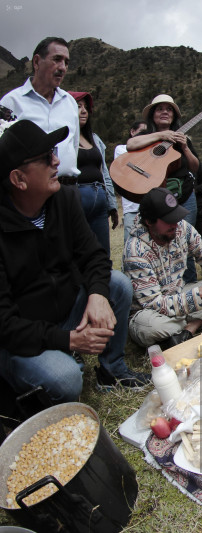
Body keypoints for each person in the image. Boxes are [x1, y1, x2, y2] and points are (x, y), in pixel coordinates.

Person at [0, 120, 148, 403]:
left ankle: (112, 370)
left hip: (66, 309)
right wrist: (67, 341)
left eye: (54, 151)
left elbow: (93, 255)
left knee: (116, 285)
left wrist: (96, 295)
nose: (57, 160)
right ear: (19, 179)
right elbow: (5, 325)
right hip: (23, 337)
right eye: (46, 157)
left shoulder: (64, 200)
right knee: (67, 380)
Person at [123, 187, 202, 347]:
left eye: (176, 217)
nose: (175, 223)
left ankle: (189, 329)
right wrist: (200, 294)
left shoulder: (181, 228)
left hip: (180, 294)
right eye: (168, 220)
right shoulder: (135, 251)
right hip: (151, 311)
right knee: (151, 328)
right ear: (149, 221)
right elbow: (155, 303)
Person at [127, 94, 201, 283]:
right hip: (156, 201)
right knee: (157, 241)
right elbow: (130, 144)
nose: (165, 112)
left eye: (169, 109)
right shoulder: (145, 137)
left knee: (186, 242)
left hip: (184, 197)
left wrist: (185, 147)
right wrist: (161, 135)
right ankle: (163, 288)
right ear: (152, 114)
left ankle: (190, 287)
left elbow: (195, 167)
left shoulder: (183, 138)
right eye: (160, 109)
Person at [0, 37, 80, 183]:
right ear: (36, 62)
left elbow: (74, 147)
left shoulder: (70, 103)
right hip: (28, 194)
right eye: (57, 59)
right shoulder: (11, 102)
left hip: (68, 190)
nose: (62, 67)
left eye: (66, 62)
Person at [68, 91, 119, 253]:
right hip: (77, 200)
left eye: (86, 107)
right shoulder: (65, 138)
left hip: (100, 201)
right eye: (78, 106)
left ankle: (103, 278)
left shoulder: (94, 139)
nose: (84, 111)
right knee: (78, 250)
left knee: (102, 252)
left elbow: (104, 173)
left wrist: (112, 205)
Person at [115, 120, 148, 243]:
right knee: (130, 246)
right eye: (141, 132)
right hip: (132, 209)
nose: (144, 137)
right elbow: (128, 168)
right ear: (132, 132)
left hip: (150, 206)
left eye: (147, 133)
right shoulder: (121, 149)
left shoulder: (151, 150)